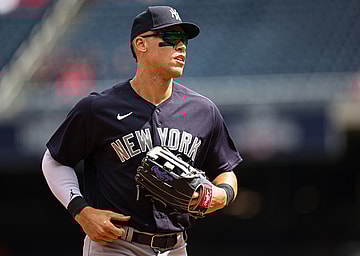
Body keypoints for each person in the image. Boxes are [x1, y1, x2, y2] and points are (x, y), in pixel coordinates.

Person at [41, 6, 243, 256]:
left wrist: (222, 195)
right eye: (169, 39)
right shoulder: (99, 108)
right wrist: (81, 210)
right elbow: (54, 160)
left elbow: (226, 170)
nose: (180, 47)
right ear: (141, 44)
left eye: (184, 41)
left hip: (176, 246)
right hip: (116, 243)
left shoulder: (203, 110)